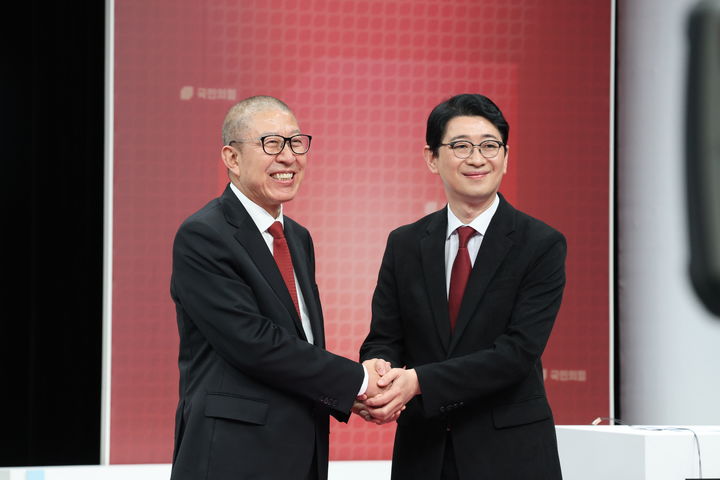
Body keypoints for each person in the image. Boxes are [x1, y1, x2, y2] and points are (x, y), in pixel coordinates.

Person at [169, 95, 389, 480]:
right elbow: (254, 343)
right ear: (232, 158)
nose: (288, 157)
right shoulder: (204, 235)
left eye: (296, 143)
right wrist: (360, 381)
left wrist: (343, 393)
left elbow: (301, 346)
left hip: (302, 454)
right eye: (271, 144)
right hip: (233, 458)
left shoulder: (297, 238)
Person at [356, 93, 566, 479]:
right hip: (424, 452)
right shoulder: (405, 243)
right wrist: (378, 368)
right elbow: (384, 337)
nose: (477, 158)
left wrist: (419, 382)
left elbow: (516, 354)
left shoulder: (540, 244)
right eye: (461, 146)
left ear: (506, 156)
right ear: (432, 158)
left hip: (510, 455)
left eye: (489, 146)